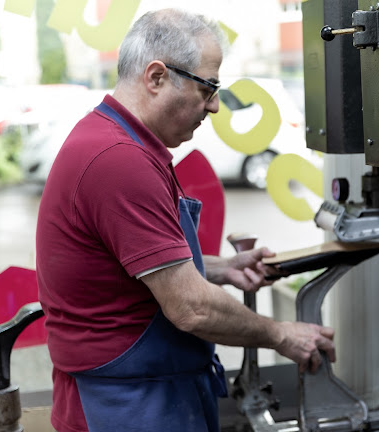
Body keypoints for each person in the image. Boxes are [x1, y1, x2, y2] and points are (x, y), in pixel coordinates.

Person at [36, 8, 335, 432]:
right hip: (126, 406)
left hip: (147, 390)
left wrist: (222, 268)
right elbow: (190, 307)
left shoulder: (118, 140)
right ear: (157, 78)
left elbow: (136, 261)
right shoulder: (118, 160)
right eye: (208, 88)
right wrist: (281, 334)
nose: (214, 106)